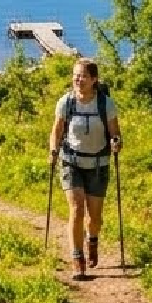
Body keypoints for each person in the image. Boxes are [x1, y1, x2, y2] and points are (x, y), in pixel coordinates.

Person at [48, 57, 121, 280]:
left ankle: (93, 239)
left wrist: (116, 142)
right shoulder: (65, 102)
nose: (78, 80)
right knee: (77, 208)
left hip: (98, 165)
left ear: (94, 79)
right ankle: (77, 259)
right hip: (71, 162)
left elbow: (115, 133)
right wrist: (52, 151)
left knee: (95, 217)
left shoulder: (105, 104)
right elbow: (57, 131)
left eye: (83, 76)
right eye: (75, 75)